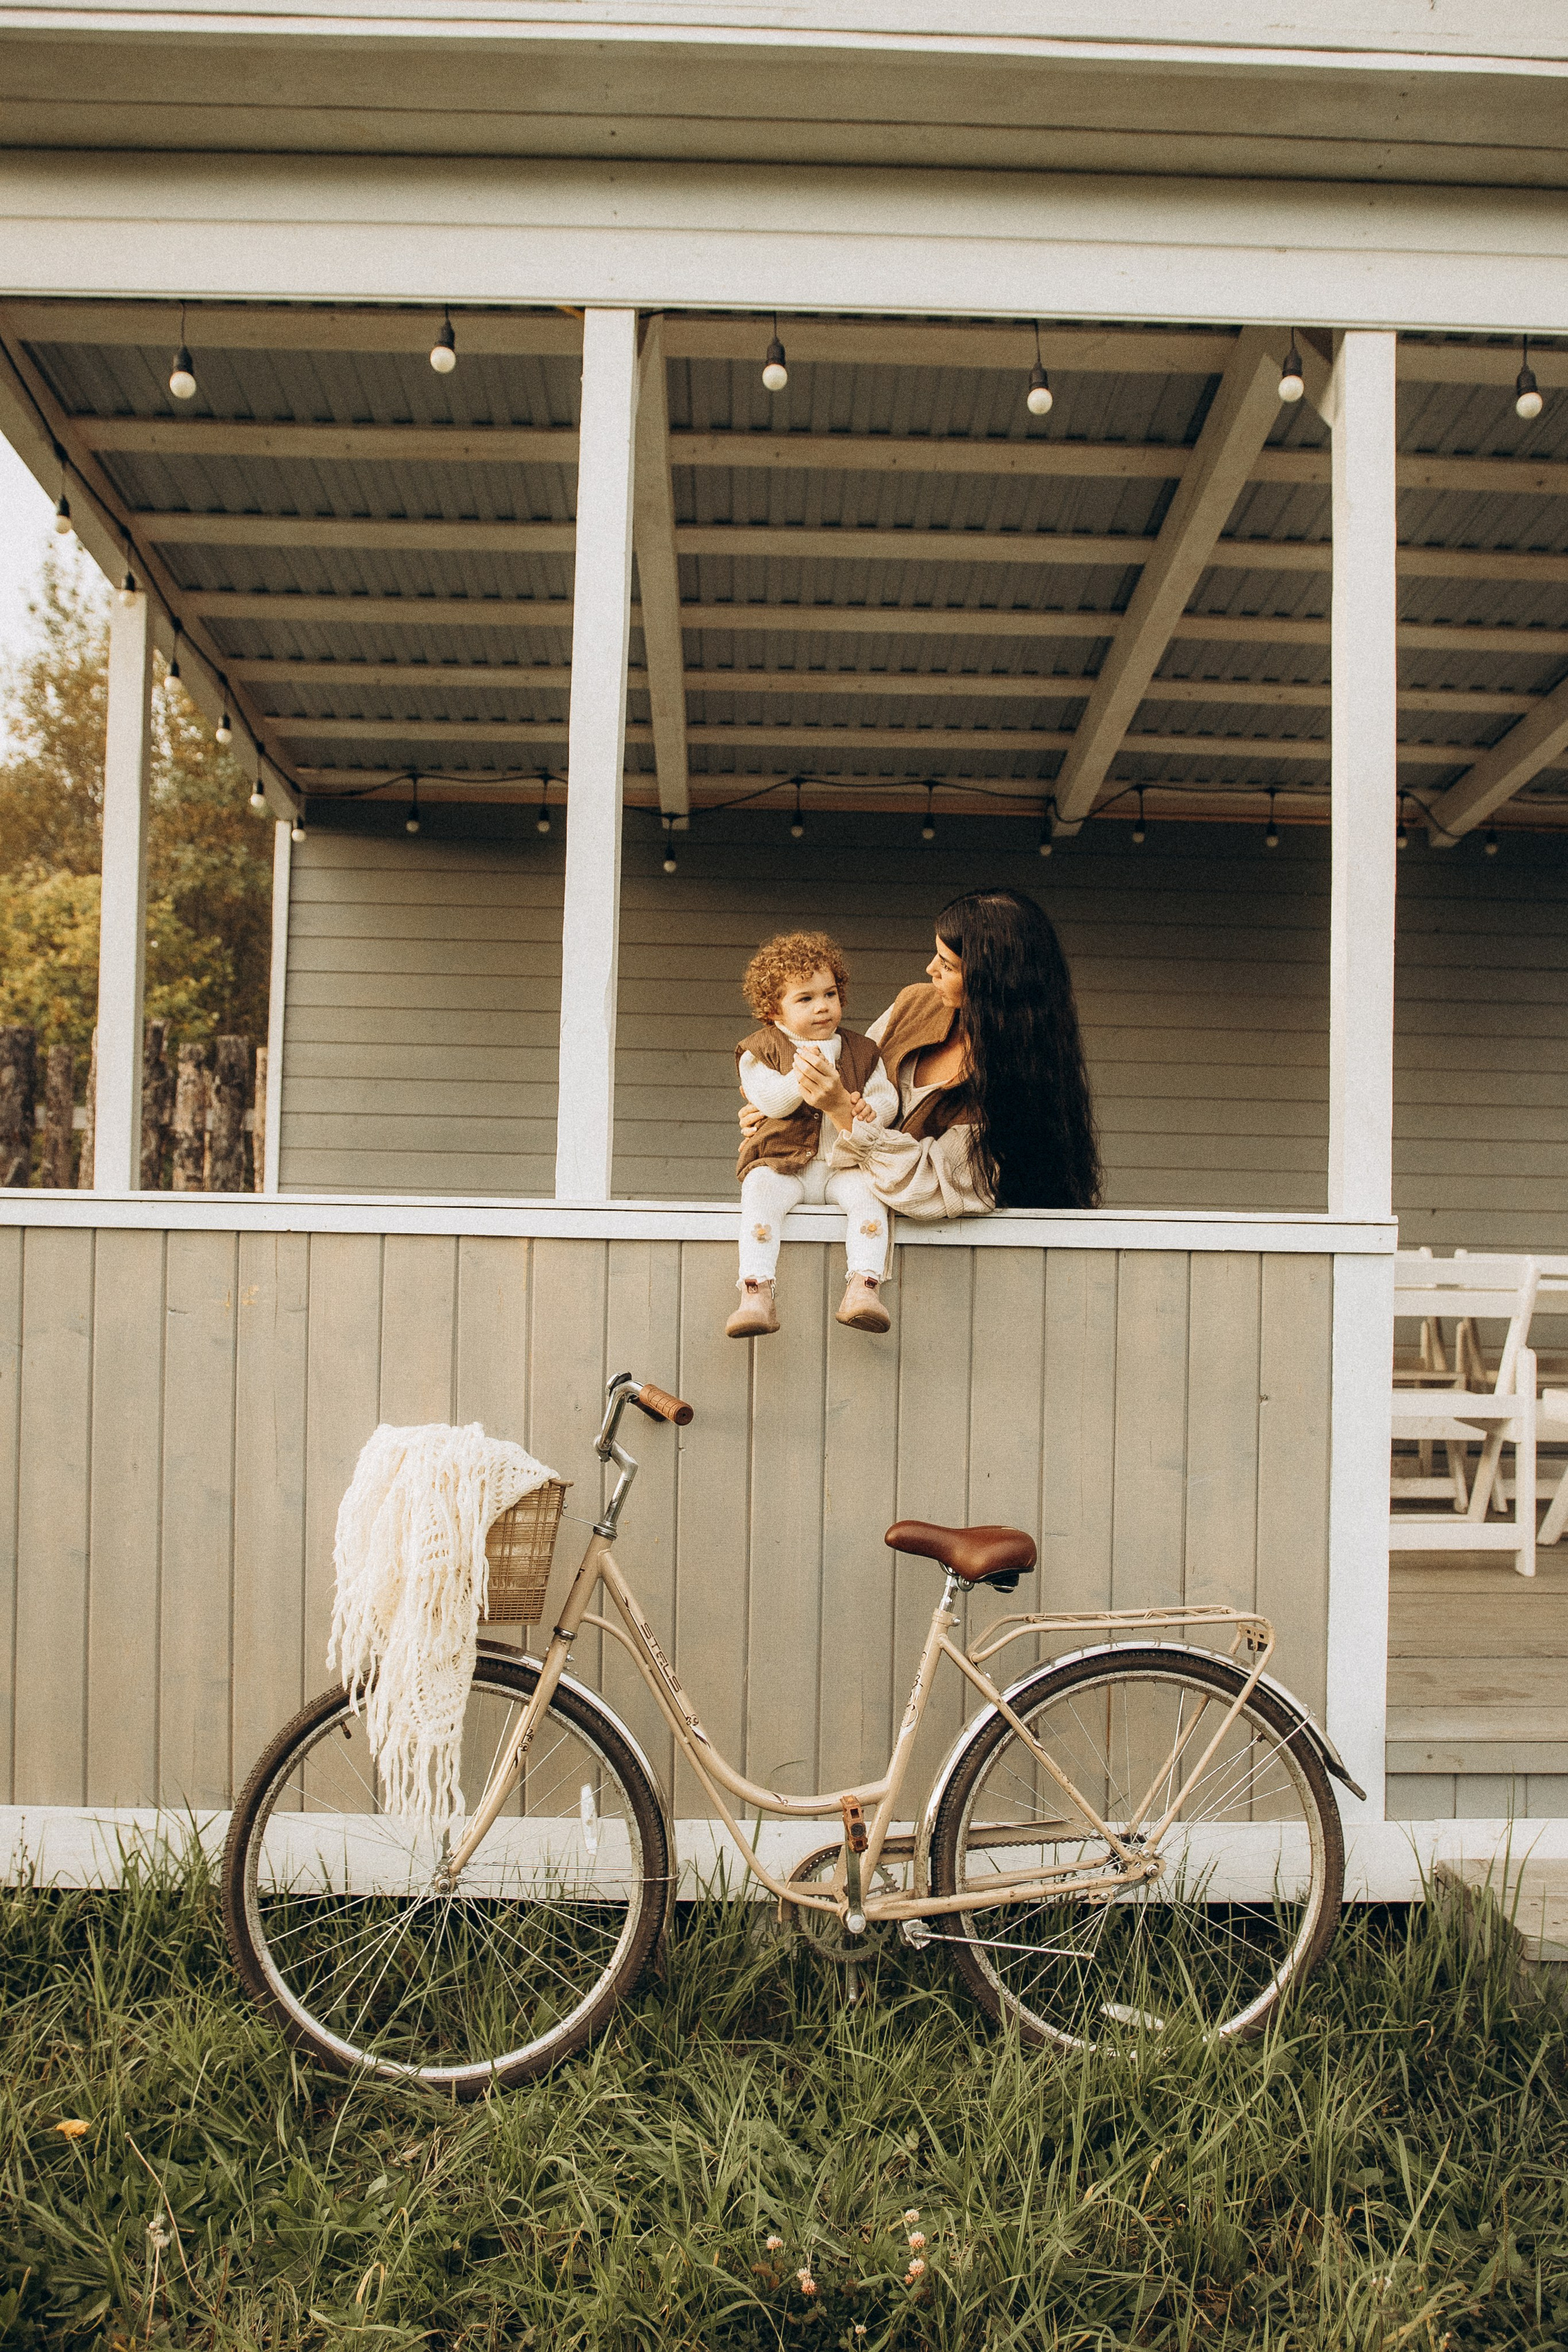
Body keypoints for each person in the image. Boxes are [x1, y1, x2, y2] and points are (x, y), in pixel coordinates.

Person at [742, 886, 1101, 1229]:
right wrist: (782, 1110)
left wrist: (839, 1112)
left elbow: (928, 1186)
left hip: (936, 1256)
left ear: (990, 982)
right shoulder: (914, 1004)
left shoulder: (1016, 1089)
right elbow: (854, 1076)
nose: (930, 969)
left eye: (947, 964)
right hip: (844, 1226)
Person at [728, 930, 900, 1340]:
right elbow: (771, 1101)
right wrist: (814, 1070)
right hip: (783, 1166)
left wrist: (871, 1110)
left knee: (871, 1196)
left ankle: (864, 1287)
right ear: (774, 1010)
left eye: (830, 994)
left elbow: (885, 1097)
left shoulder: (862, 1050)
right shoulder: (760, 1050)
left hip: (843, 1164)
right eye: (805, 999)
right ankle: (757, 1292)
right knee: (759, 1193)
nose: (822, 1007)